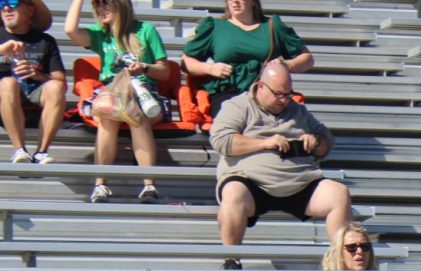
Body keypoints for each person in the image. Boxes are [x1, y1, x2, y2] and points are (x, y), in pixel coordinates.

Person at [210, 60, 352, 271]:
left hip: (300, 181)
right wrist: (264, 143)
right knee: (232, 193)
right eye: (278, 94)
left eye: (288, 94)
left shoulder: (298, 111)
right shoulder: (237, 106)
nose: (284, 100)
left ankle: (341, 263)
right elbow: (221, 141)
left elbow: (327, 141)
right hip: (251, 182)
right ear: (260, 86)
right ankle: (231, 261)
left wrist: (315, 142)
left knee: (338, 193)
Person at [64, 0, 167, 203]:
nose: (101, 10)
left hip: (143, 91)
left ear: (121, 5)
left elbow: (165, 72)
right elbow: (70, 30)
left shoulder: (146, 30)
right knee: (108, 114)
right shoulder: (100, 34)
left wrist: (144, 67)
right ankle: (101, 185)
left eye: (106, 4)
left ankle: (148, 184)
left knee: (136, 115)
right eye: (97, 6)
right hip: (113, 92)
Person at [181, 0, 313, 119]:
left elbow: (307, 59)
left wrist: (287, 65)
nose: (235, 2)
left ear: (254, 2)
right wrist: (210, 68)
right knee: (236, 120)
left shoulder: (272, 25)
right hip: (228, 93)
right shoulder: (215, 26)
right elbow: (186, 62)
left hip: (267, 94)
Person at [1, 0, 66, 164]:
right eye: (2, 3)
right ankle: (19, 150)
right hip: (4, 103)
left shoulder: (45, 41)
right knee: (8, 83)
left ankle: (41, 153)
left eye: (13, 2)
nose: (6, 7)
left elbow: (62, 83)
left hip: (36, 103)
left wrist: (38, 75)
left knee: (56, 87)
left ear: (30, 9)